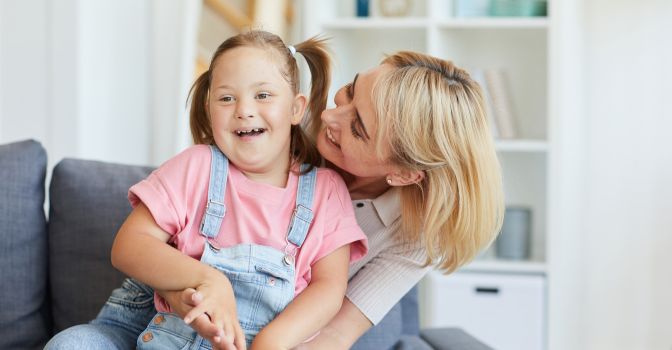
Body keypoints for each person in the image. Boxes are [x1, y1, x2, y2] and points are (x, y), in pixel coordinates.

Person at [46, 45, 504, 350]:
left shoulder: (398, 231)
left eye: (358, 126)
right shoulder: (269, 127)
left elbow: (334, 327)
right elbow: (152, 244)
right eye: (348, 91)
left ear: (405, 173)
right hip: (167, 302)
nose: (330, 115)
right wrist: (206, 287)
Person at [47, 30, 369, 350]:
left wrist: (271, 343)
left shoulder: (325, 191)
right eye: (227, 98)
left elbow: (329, 287)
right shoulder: (197, 166)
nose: (244, 109)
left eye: (263, 95)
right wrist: (210, 280)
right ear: (210, 107)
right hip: (145, 330)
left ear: (296, 109)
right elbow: (129, 246)